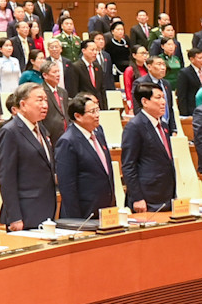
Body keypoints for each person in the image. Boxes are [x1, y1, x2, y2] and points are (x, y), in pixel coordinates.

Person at [0, 82, 58, 231]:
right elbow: (6, 177)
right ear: (23, 105)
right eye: (39, 100)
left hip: (46, 208)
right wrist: (15, 217)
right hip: (24, 212)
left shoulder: (40, 128)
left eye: (46, 100)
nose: (44, 105)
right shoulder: (10, 132)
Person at [56, 94, 118, 219]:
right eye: (92, 111)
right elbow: (67, 186)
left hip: (106, 208)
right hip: (84, 212)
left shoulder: (99, 132)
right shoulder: (68, 141)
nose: (97, 115)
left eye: (97, 110)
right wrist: (75, 219)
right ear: (78, 116)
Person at [120, 82, 177, 211]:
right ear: (145, 102)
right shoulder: (135, 126)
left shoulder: (163, 125)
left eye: (163, 97)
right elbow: (129, 165)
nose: (163, 102)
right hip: (147, 196)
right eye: (158, 98)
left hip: (166, 193)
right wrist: (137, 198)